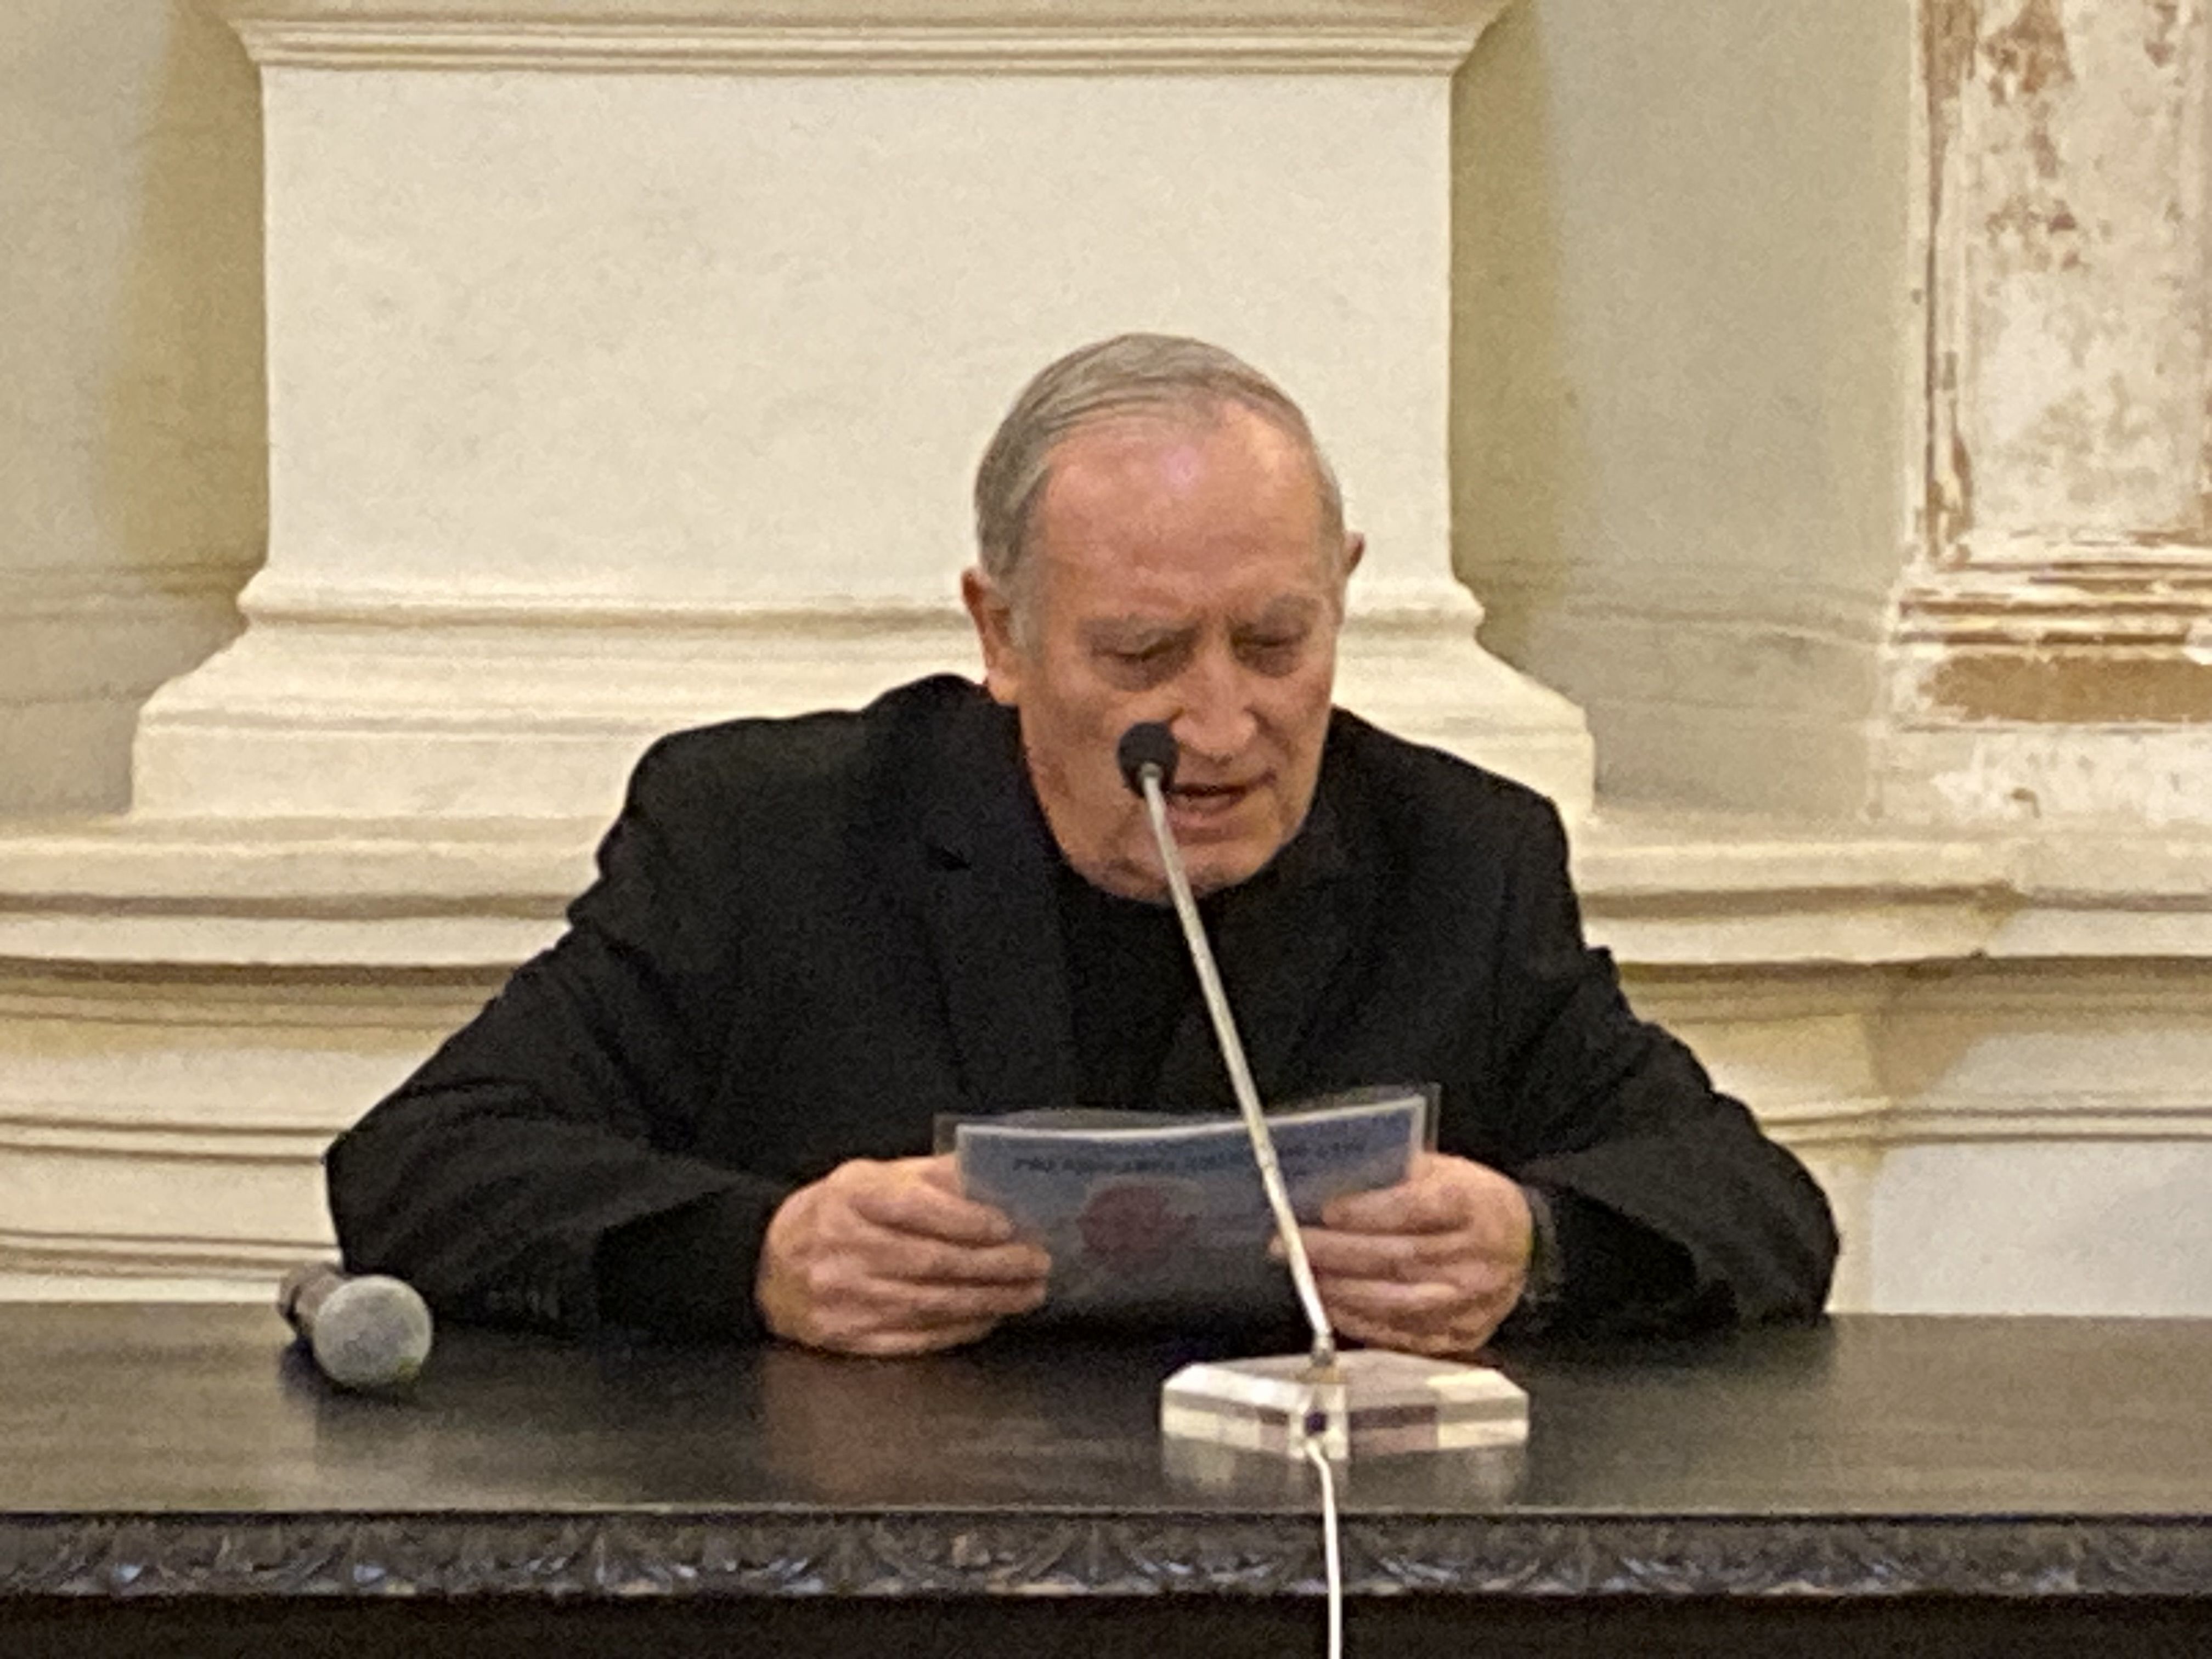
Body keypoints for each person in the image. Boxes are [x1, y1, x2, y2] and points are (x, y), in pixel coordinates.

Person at [327, 334, 1837, 1358]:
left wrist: (1539, 1246)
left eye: (1278, 642)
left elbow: (1758, 1204)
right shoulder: (764, 837)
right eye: (1142, 655)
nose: (1222, 723)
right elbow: (419, 1166)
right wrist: (756, 1258)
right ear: (1003, 634)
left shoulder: (1461, 857)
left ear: (1343, 592)